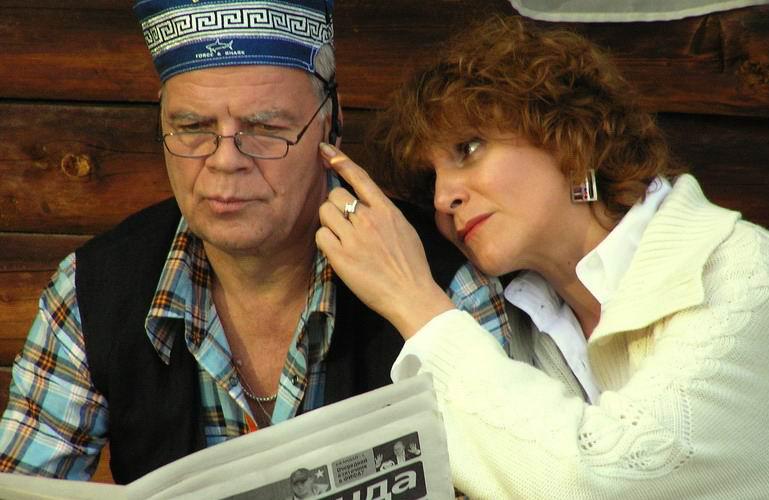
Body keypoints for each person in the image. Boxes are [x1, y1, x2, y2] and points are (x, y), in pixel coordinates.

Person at [0, 0, 507, 484]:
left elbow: (510, 469)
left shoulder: (441, 283)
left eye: (264, 128)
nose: (225, 161)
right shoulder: (93, 292)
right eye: (192, 127)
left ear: (330, 126)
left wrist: (418, 309)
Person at [315, 15, 769, 499]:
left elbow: (602, 479)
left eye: (468, 148)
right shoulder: (520, 321)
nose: (444, 198)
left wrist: (415, 304)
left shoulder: (743, 275)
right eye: (432, 180)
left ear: (568, 135)